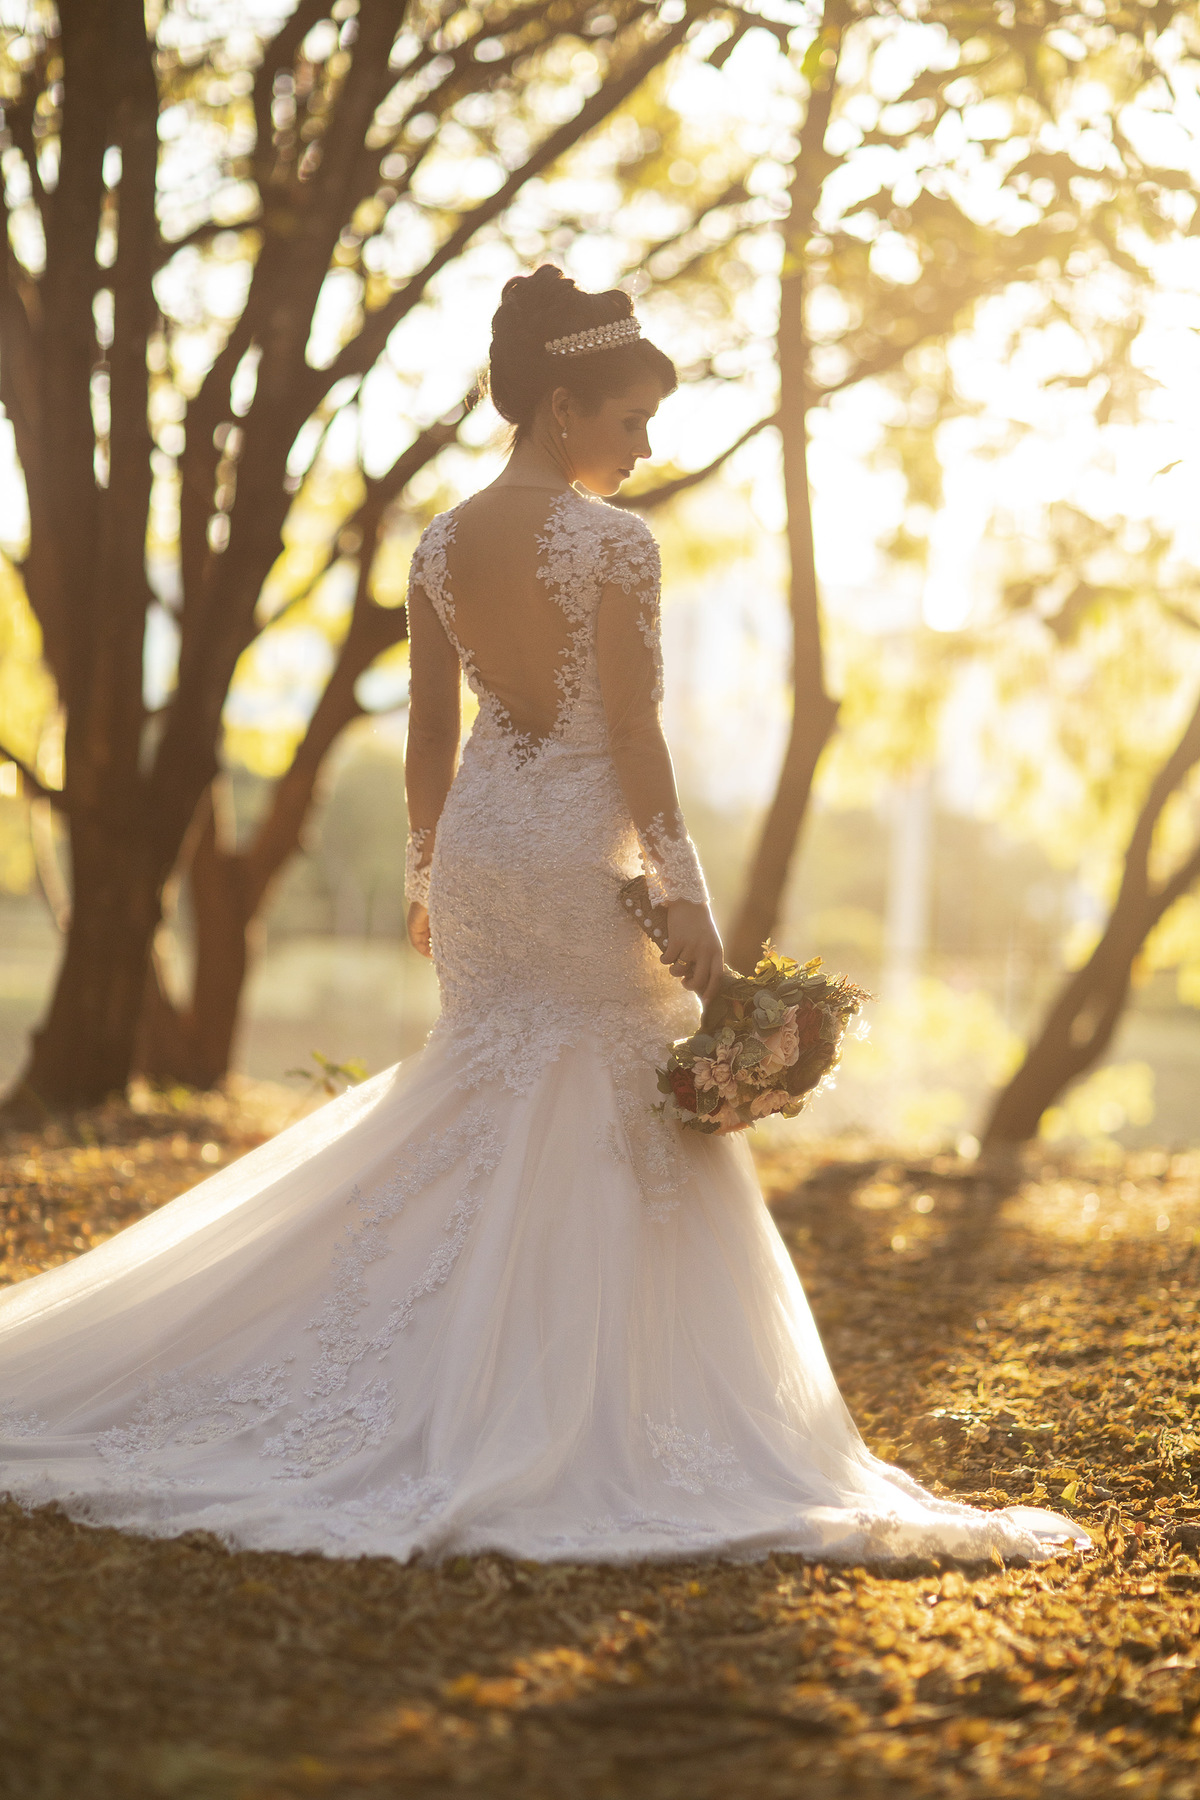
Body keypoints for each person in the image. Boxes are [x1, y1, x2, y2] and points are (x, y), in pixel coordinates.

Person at [0, 267, 1085, 1565]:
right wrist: (684, 895)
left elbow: (427, 739)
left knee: (493, 1082)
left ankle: (438, 1370)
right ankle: (578, 1400)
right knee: (604, 1086)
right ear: (561, 405)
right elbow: (630, 729)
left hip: (477, 854)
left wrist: (419, 878)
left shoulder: (439, 546)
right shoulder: (612, 546)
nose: (644, 447)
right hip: (579, 854)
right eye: (629, 420)